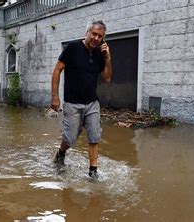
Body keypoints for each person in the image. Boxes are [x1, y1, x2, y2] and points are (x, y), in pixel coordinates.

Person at [50, 20, 112, 179]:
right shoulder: (72, 48)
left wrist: (108, 58)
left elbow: (107, 78)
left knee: (94, 136)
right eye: (94, 34)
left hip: (92, 103)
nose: (97, 38)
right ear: (87, 33)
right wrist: (55, 97)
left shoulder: (100, 54)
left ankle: (93, 171)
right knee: (70, 138)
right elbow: (57, 70)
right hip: (72, 103)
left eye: (100, 36)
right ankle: (61, 153)